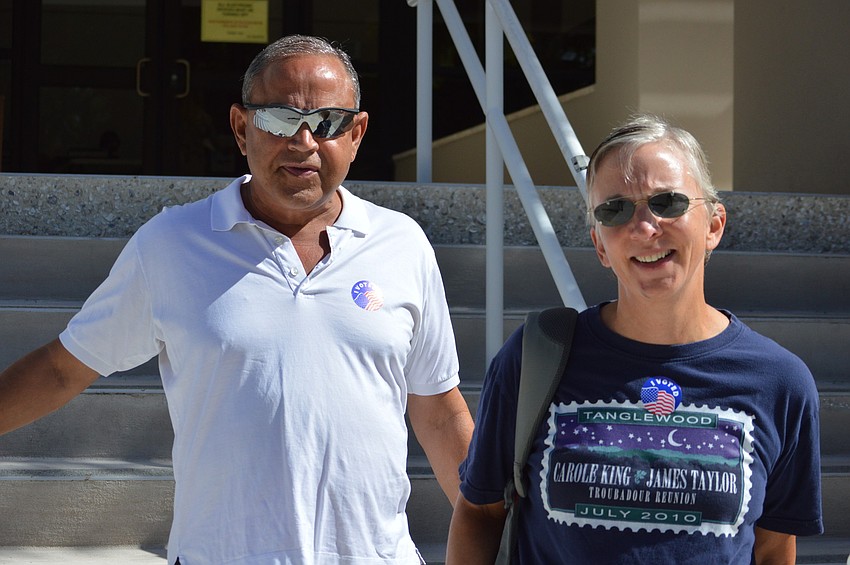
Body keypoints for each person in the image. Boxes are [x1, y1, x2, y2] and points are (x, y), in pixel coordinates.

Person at [0, 35, 473, 564]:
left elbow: (437, 412)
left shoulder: (401, 243)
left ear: (357, 133)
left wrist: (508, 535)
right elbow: (65, 369)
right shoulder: (171, 244)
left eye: (328, 122)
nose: (305, 141)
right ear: (240, 127)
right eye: (278, 118)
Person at [447, 114, 823, 564]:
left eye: (667, 202)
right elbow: (479, 512)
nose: (645, 228)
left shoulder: (779, 382)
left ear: (714, 225)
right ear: (600, 245)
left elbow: (774, 547)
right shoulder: (535, 357)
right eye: (615, 209)